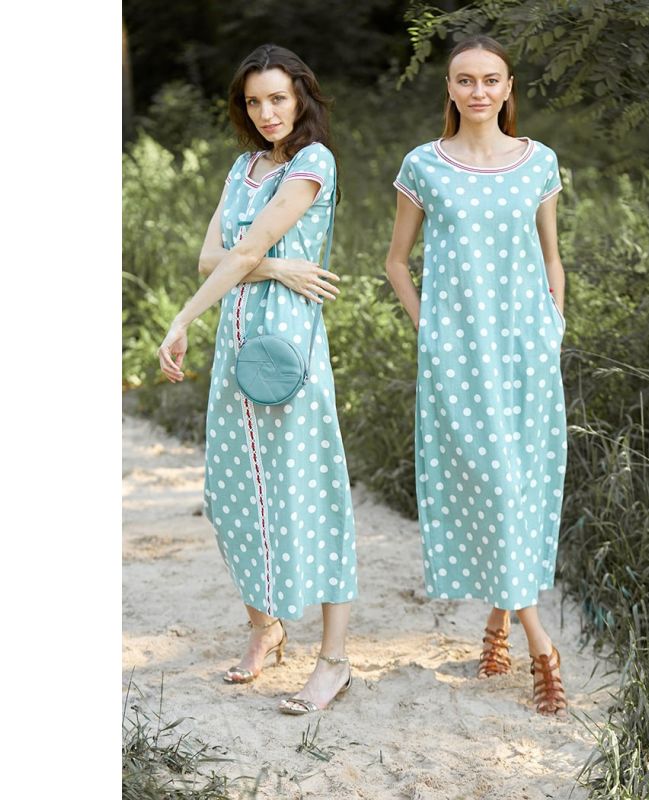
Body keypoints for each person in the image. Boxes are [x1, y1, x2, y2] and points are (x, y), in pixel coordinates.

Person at [158, 44, 355, 715]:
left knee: (311, 488)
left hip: (288, 350)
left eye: (278, 97)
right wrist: (275, 266)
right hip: (236, 348)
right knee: (232, 488)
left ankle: (333, 660)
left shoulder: (313, 162)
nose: (267, 112)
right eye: (253, 101)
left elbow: (239, 249)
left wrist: (182, 317)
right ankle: (265, 627)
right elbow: (212, 255)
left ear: (300, 96)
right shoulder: (243, 169)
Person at [385, 35, 568, 715]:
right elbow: (395, 262)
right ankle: (541, 645)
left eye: (491, 79)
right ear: (450, 89)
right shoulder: (423, 165)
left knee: (519, 484)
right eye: (465, 80)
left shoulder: (538, 162)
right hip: (459, 357)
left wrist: (554, 326)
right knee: (493, 480)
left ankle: (497, 628)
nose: (479, 91)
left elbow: (551, 256)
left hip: (526, 351)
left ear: (509, 87)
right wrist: (429, 330)